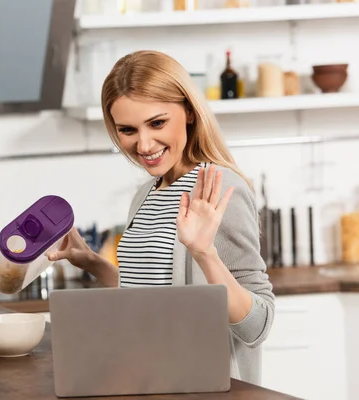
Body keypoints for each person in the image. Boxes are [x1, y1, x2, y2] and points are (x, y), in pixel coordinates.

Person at [48, 50, 275, 385]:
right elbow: (149, 299)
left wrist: (204, 253)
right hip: (149, 379)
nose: (144, 143)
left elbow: (258, 326)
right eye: (127, 129)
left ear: (188, 112)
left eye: (157, 123)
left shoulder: (219, 187)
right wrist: (93, 263)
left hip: (201, 386)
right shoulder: (146, 194)